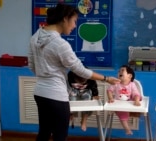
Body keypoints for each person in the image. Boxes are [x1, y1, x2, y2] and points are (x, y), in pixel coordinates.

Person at [28, 3, 120, 141]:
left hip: (40, 93)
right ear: (65, 18)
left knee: (44, 133)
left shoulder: (35, 37)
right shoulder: (60, 44)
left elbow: (32, 65)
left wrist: (45, 76)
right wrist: (106, 78)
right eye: (74, 21)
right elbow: (80, 70)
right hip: (56, 96)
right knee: (60, 136)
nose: (75, 26)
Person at [107, 65, 142, 135]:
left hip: (129, 103)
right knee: (123, 113)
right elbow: (109, 90)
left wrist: (137, 100)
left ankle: (135, 106)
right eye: (119, 71)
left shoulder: (132, 84)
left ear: (129, 76)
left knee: (138, 97)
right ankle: (127, 129)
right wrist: (110, 98)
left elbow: (136, 93)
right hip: (119, 105)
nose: (119, 72)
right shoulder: (116, 83)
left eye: (122, 70)